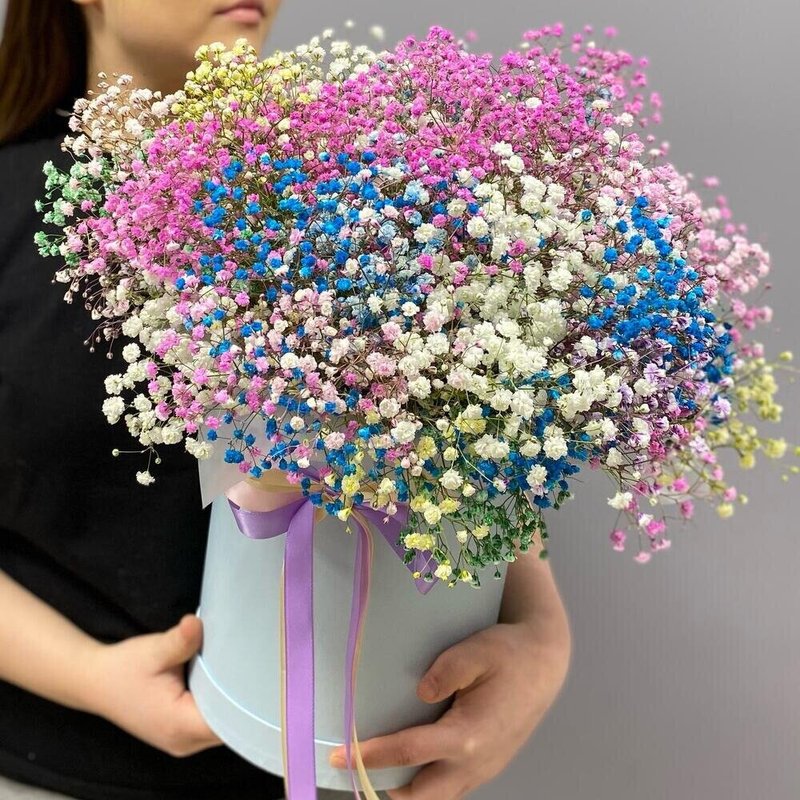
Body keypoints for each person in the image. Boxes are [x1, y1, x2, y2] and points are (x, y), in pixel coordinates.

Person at [0, 1, 573, 799]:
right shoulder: (11, 202)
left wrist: (541, 633)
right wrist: (93, 677)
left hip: (311, 767)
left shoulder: (351, 186)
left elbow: (463, 429)